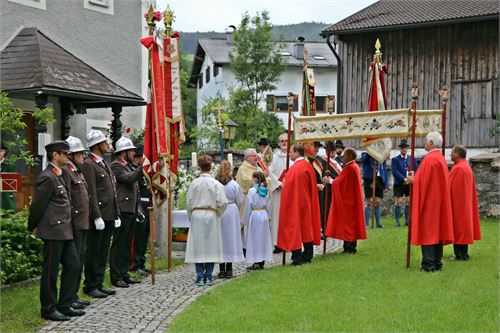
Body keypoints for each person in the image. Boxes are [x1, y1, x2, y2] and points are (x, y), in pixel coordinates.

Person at [28, 140, 82, 321]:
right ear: (55, 155)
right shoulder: (47, 177)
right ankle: (49, 309)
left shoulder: (61, 175)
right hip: (53, 231)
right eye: (65, 153)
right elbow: (37, 206)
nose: (68, 156)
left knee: (73, 265)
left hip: (65, 230)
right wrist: (32, 225)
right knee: (50, 271)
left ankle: (65, 305)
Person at [406, 132, 454, 272]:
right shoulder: (439, 158)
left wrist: (412, 180)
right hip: (437, 202)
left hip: (429, 203)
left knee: (428, 233)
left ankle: (429, 265)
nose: (425, 143)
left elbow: (422, 182)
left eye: (426, 141)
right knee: (437, 234)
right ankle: (437, 262)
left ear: (431, 142)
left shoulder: (430, 159)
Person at [81, 130, 120, 298]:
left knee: (103, 251)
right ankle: (90, 285)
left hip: (109, 214)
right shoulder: (89, 164)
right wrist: (96, 215)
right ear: (96, 145)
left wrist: (116, 213)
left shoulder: (102, 162)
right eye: (104, 143)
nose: (107, 145)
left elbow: (112, 191)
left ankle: (98, 283)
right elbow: (91, 192)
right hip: (100, 215)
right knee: (94, 252)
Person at [185, 155, 228, 286]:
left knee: (198, 246)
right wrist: (217, 213)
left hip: (197, 215)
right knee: (211, 245)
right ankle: (208, 276)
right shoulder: (216, 184)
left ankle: (200, 275)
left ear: (199, 167)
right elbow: (223, 202)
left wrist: (192, 216)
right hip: (211, 214)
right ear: (211, 167)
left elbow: (188, 203)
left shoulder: (194, 183)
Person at [277, 145, 321, 265]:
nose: (288, 154)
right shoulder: (308, 166)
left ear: (297, 153)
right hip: (306, 202)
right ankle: (307, 255)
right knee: (306, 228)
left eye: (290, 152)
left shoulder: (295, 168)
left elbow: (288, 188)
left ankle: (297, 257)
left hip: (295, 204)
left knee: (294, 228)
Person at [62, 136, 91, 310]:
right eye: (80, 153)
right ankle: (69, 298)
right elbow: (69, 199)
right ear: (71, 155)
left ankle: (73, 296)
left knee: (79, 260)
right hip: (74, 224)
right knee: (73, 262)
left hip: (82, 223)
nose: (83, 157)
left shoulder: (77, 171)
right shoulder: (67, 171)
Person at [109, 137, 143, 288]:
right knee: (119, 245)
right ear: (124, 152)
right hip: (122, 210)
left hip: (130, 210)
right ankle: (116, 276)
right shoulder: (116, 166)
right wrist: (143, 168)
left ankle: (124, 273)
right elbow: (129, 179)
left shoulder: (127, 166)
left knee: (127, 244)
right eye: (131, 150)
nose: (133, 153)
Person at [324, 148, 366, 254]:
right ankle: (350, 246)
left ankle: (349, 248)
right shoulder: (354, 166)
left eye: (344, 156)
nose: (343, 157)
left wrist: (330, 181)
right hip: (352, 199)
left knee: (349, 224)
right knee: (351, 224)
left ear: (349, 156)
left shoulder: (350, 167)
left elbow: (340, 182)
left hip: (349, 201)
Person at [449, 145, 481, 260]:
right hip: (464, 203)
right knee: (462, 229)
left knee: (459, 229)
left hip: (458, 204)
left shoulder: (458, 168)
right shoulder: (465, 166)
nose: (450, 154)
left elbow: (450, 186)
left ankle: (460, 255)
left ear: (457, 153)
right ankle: (463, 254)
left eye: (452, 152)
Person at [216, 160, 244, 278]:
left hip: (220, 211)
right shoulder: (234, 184)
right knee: (231, 238)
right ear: (230, 170)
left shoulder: (216, 183)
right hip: (231, 210)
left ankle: (222, 269)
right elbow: (240, 201)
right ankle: (229, 269)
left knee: (221, 239)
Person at [268, 133, 293, 252]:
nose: (284, 143)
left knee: (290, 217)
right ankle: (277, 243)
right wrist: (277, 184)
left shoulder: (292, 157)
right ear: (278, 143)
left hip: (291, 193)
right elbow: (269, 173)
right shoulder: (274, 157)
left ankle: (289, 241)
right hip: (278, 193)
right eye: (282, 141)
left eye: (286, 141)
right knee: (277, 217)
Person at [243, 171, 273, 270]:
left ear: (255, 179)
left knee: (255, 239)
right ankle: (262, 261)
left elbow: (248, 205)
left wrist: (246, 219)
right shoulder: (266, 190)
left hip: (255, 215)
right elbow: (269, 204)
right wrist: (268, 216)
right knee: (263, 239)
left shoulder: (252, 191)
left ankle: (256, 261)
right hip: (263, 214)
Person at [129, 145, 151, 276]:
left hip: (145, 204)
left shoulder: (141, 172)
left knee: (143, 236)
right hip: (138, 205)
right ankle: (134, 264)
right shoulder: (133, 170)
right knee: (136, 237)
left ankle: (141, 262)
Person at [236, 148, 260, 254]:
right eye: (254, 156)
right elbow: (246, 182)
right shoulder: (243, 168)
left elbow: (265, 178)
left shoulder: (257, 167)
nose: (256, 157)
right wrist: (260, 182)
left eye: (256, 155)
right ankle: (245, 248)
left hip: (257, 201)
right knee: (246, 225)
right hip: (246, 200)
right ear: (247, 157)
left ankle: (254, 246)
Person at [391, 139, 418, 227]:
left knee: (408, 201)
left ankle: (407, 221)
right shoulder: (395, 159)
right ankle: (397, 221)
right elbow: (395, 171)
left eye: (405, 148)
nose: (404, 149)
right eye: (402, 148)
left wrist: (412, 179)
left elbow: (416, 170)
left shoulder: (412, 159)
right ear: (400, 149)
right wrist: (404, 179)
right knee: (398, 201)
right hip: (399, 183)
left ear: (407, 148)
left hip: (409, 183)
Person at [361, 151, 389, 228]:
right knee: (369, 202)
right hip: (369, 179)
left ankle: (378, 223)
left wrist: (386, 184)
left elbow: (385, 170)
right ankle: (367, 224)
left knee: (377, 202)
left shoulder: (382, 155)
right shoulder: (365, 154)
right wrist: (370, 152)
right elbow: (363, 159)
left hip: (379, 179)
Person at [322, 140, 344, 232]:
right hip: (329, 189)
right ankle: (326, 229)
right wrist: (333, 181)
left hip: (336, 188)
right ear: (326, 150)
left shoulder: (337, 161)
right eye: (330, 150)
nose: (332, 152)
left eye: (333, 150)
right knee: (327, 210)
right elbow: (325, 174)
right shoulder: (323, 161)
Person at [308, 142, 325, 232]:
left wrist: (324, 181)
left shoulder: (319, 159)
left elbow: (322, 175)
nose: (316, 149)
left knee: (320, 211)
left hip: (320, 190)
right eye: (315, 146)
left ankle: (318, 230)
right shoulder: (307, 160)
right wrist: (315, 185)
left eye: (318, 147)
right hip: (310, 189)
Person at [0, 146, 17, 211]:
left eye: (1, 151)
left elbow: (11, 183)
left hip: (5, 197)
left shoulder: (10, 165)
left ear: (5, 153)